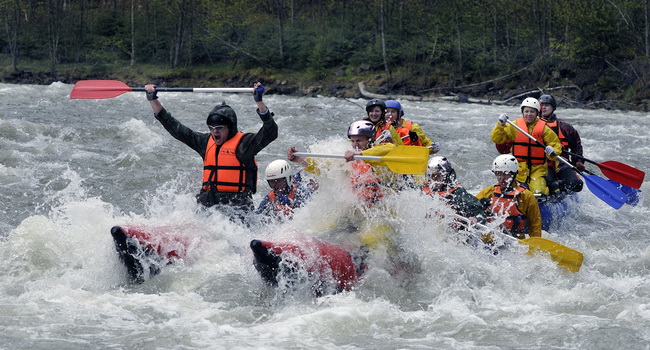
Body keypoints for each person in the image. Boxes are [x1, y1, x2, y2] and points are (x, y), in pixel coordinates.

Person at [143, 82, 278, 214]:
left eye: (219, 128)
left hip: (237, 210)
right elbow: (175, 127)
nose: (215, 132)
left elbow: (270, 132)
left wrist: (260, 103)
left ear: (230, 128)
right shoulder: (205, 142)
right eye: (211, 128)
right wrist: (153, 99)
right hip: (209, 208)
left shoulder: (245, 144)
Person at [490, 97, 562, 195]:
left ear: (537, 113)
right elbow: (497, 139)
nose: (529, 114)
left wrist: (553, 150)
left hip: (538, 169)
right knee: (515, 191)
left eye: (532, 112)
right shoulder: (514, 126)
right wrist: (500, 125)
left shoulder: (544, 128)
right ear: (522, 112)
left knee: (539, 191)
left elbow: (556, 145)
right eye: (526, 111)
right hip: (518, 169)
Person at [475, 154, 542, 238]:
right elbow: (471, 209)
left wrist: (535, 246)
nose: (502, 178)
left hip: (515, 243)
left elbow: (535, 225)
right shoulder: (488, 192)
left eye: (506, 174)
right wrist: (479, 206)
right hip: (489, 242)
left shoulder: (526, 196)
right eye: (499, 174)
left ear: (514, 174)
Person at [538, 94, 584, 193]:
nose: (544, 107)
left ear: (553, 107)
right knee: (548, 184)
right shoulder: (532, 127)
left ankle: (561, 188)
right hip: (542, 165)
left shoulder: (565, 127)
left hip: (562, 163)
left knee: (577, 185)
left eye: (547, 105)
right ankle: (555, 187)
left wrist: (578, 161)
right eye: (542, 105)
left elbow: (576, 145)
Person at [422, 156, 486, 224]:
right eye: (431, 176)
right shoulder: (423, 190)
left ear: (447, 175)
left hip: (452, 230)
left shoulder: (457, 194)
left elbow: (481, 213)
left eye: (438, 175)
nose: (434, 179)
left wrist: (475, 219)